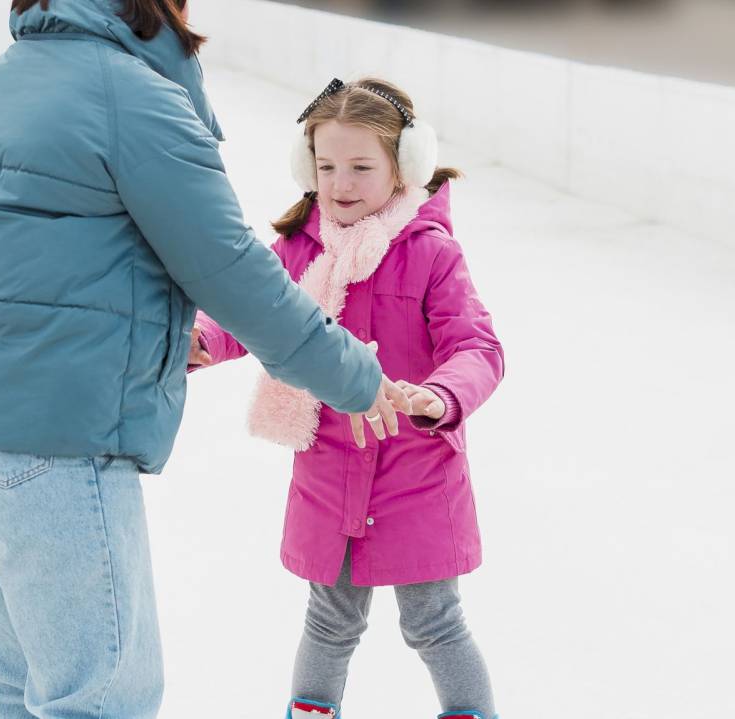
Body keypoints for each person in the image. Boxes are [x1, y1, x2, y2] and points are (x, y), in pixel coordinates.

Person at [0, 2, 408, 716]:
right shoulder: (133, 99)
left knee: (18, 687)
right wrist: (354, 374)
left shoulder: (4, 78)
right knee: (100, 699)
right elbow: (232, 272)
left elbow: (32, 257)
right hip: (49, 437)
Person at [189, 77, 505, 719]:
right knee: (330, 621)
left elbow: (479, 348)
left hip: (415, 474)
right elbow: (255, 314)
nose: (341, 183)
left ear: (403, 168)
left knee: (433, 622)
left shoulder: (430, 254)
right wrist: (205, 339)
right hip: (330, 470)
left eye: (362, 167)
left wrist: (438, 396)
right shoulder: (299, 247)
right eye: (326, 166)